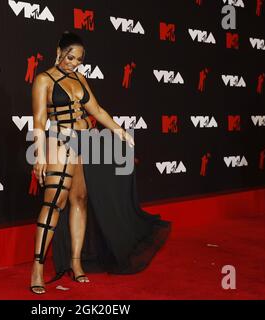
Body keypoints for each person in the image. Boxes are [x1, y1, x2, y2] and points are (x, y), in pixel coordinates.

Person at [30, 31, 170, 294]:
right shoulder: (43, 80)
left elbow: (97, 110)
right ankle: (37, 267)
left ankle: (76, 263)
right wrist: (39, 155)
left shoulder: (80, 79)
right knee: (54, 202)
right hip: (59, 141)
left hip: (84, 142)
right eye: (70, 57)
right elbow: (39, 120)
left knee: (79, 199)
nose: (74, 63)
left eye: (79, 60)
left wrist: (120, 131)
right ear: (59, 51)